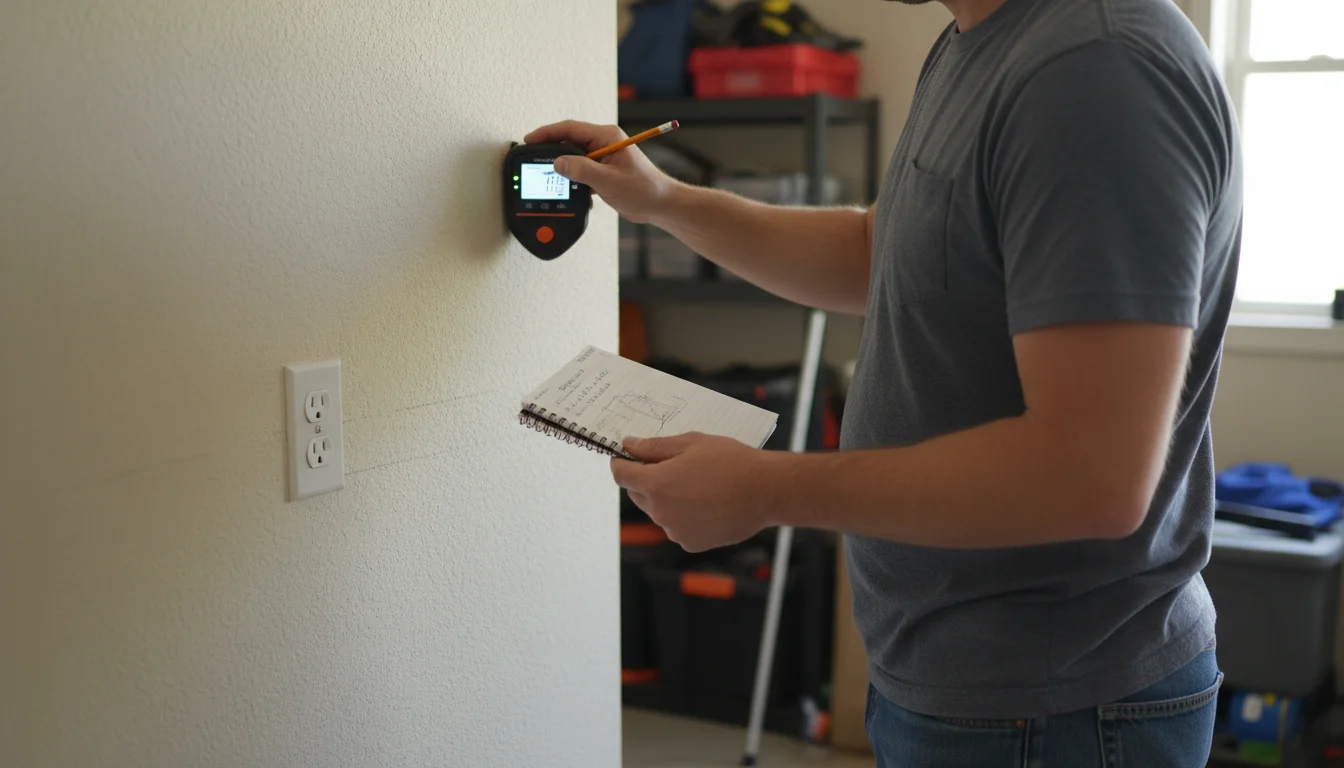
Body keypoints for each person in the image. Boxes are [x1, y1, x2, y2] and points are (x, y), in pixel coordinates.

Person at [528, 0, 1241, 763]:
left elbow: (1090, 475)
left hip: (1054, 709)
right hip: (960, 687)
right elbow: (880, 250)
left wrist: (767, 490)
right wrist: (665, 202)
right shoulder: (978, 40)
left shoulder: (1096, 68)